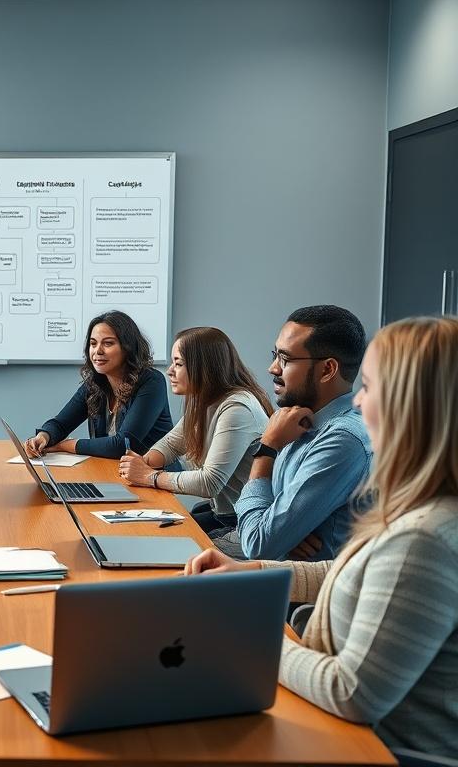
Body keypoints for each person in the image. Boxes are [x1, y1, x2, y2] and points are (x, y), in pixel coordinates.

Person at [185, 316, 458, 757]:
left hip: (375, 752)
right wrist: (249, 571)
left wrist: (241, 634)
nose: (358, 403)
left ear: (411, 406)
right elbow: (350, 571)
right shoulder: (425, 507)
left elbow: (350, 691)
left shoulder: (424, 538)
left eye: (368, 387)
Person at [219, 305, 372, 561]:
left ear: (327, 370)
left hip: (289, 590)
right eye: (275, 355)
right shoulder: (297, 420)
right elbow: (266, 533)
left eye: (285, 359)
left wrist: (266, 449)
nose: (273, 368)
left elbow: (259, 544)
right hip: (267, 565)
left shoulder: (342, 440)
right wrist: (284, 533)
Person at [119, 327, 273, 527]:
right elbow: (172, 444)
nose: (170, 371)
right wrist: (142, 463)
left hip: (244, 523)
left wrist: (149, 476)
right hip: (222, 513)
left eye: (179, 363)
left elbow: (210, 483)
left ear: (205, 368)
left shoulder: (237, 408)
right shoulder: (205, 401)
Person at [24, 311, 173, 459]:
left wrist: (64, 445)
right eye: (93, 343)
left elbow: (123, 445)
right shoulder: (95, 384)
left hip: (156, 476)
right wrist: (44, 437)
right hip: (115, 473)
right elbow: (61, 424)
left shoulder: (152, 382)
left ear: (127, 348)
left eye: (108, 343)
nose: (98, 351)